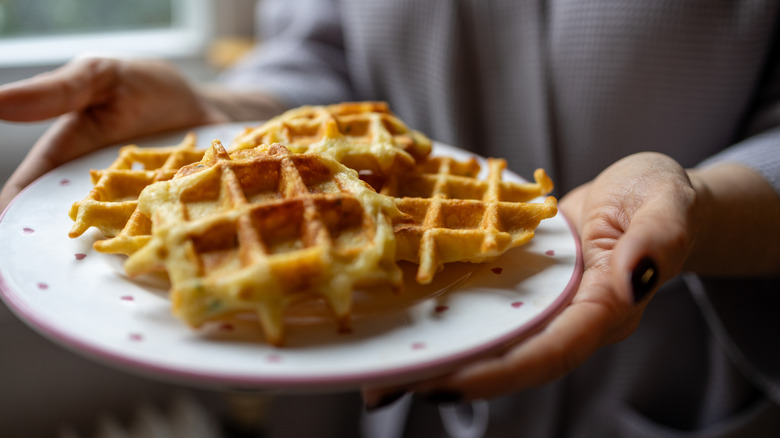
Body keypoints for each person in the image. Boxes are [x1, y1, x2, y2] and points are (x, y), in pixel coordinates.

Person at [2, 1, 779, 436]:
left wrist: (702, 207)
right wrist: (219, 107)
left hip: (672, 366)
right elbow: (321, 54)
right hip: (400, 357)